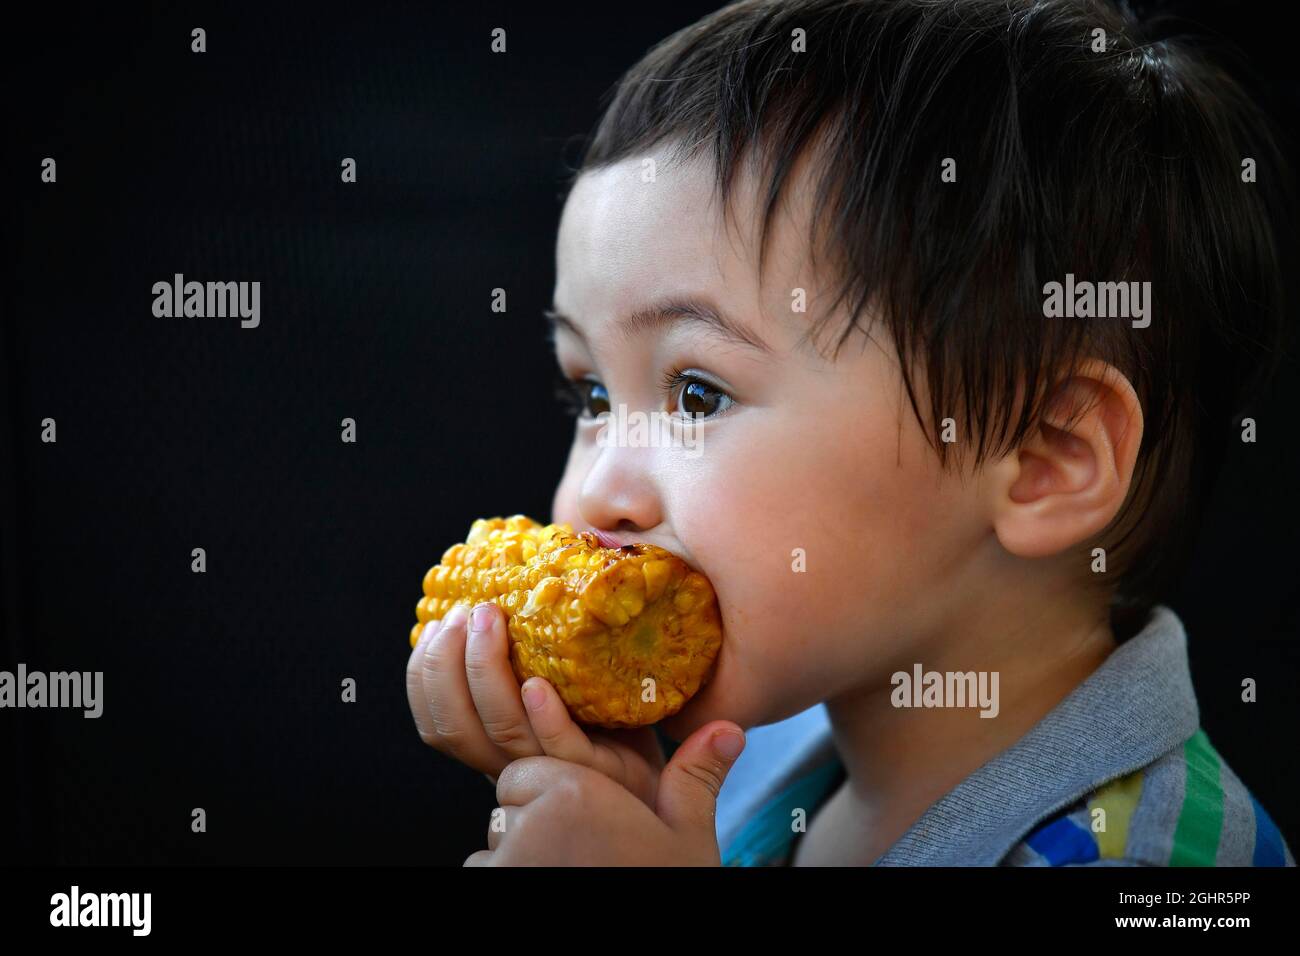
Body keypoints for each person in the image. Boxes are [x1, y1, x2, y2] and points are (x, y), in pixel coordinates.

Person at [406, 0, 1295, 866]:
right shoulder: (746, 762)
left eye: (700, 395)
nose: (595, 494)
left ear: (1041, 460)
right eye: (592, 397)